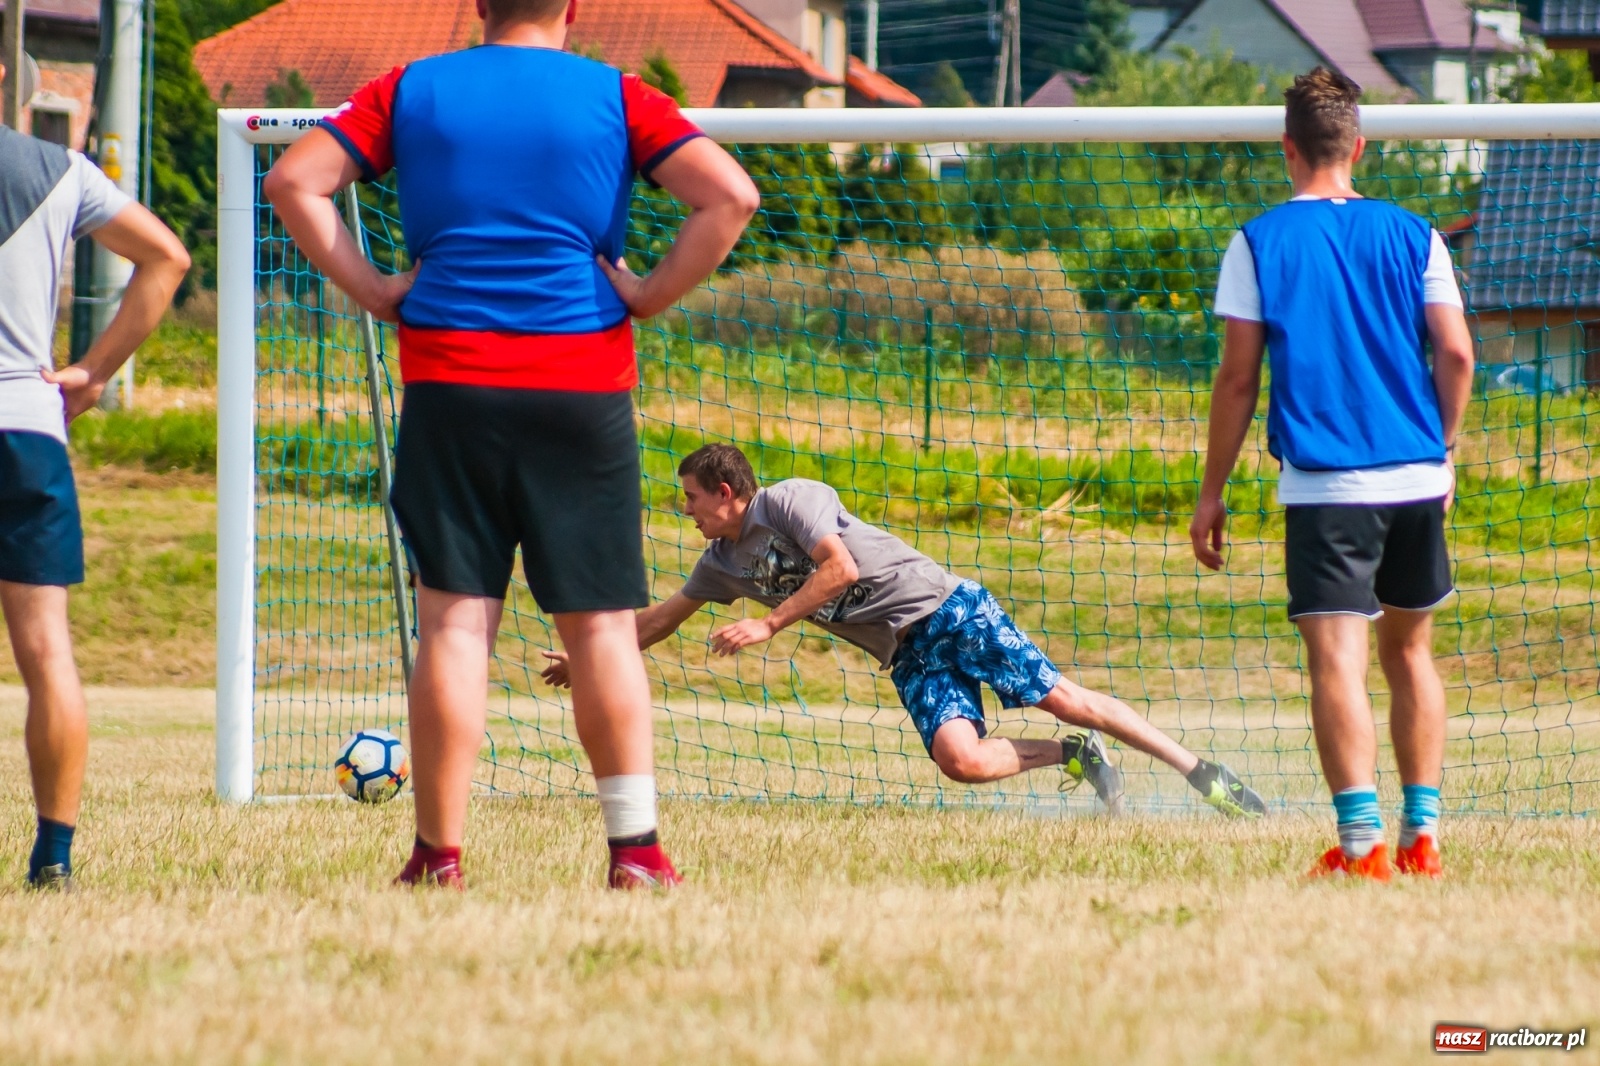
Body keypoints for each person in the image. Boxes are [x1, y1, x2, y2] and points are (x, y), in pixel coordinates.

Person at [265, 0, 759, 889]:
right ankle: (637, 855)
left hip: (450, 385)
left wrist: (378, 290)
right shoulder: (617, 94)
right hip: (582, 387)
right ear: (573, 7)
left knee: (454, 623)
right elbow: (732, 196)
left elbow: (294, 181)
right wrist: (646, 294)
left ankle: (437, 860)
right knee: (603, 626)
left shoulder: (411, 88)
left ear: (480, 4)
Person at [544, 444, 1267, 817]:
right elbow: (661, 619)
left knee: (1067, 694)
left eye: (693, 499)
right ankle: (1074, 757)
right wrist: (586, 655)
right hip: (907, 654)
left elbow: (838, 569)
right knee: (963, 760)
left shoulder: (791, 500)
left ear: (727, 493)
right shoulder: (719, 564)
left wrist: (766, 624)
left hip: (948, 610)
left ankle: (1204, 774)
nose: (688, 511)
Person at [1190, 68, 1475, 881]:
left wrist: (1211, 494)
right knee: (1411, 655)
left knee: (1338, 663)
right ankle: (1422, 840)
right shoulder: (1417, 232)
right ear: (1359, 146)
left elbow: (1238, 378)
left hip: (1327, 486)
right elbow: (1456, 353)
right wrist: (1444, 449)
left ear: (1287, 149)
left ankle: (1362, 849)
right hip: (1418, 478)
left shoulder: (1258, 241)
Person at [0, 64, 190, 888]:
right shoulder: (57, 170)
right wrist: (93, 370)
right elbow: (168, 259)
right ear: (4, 75)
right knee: (47, 652)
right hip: (28, 432)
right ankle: (54, 858)